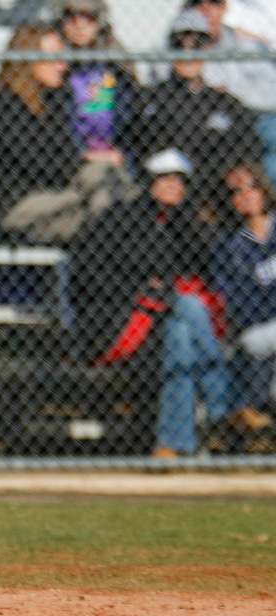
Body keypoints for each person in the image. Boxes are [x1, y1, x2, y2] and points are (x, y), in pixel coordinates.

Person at [70, 148, 269, 459]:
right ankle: (226, 406)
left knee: (179, 335)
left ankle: (173, 445)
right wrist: (140, 292)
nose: (173, 186)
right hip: (117, 320)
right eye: (164, 179)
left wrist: (183, 218)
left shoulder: (181, 224)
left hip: (164, 321)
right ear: (149, 182)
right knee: (187, 307)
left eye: (180, 181)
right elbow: (87, 275)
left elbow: (207, 261)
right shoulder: (119, 218)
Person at [0, 23, 126, 245]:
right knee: (106, 211)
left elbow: (66, 158)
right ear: (28, 60)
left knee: (105, 182)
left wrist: (94, 162)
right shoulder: (4, 106)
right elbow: (43, 164)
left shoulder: (51, 104)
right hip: (21, 207)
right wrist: (89, 159)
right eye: (54, 58)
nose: (62, 66)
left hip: (60, 198)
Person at [122, 9, 264, 219]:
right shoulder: (148, 99)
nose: (188, 54)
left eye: (196, 45)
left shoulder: (225, 103)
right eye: (180, 45)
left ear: (206, 50)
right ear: (170, 50)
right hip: (158, 200)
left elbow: (250, 151)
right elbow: (132, 146)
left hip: (214, 202)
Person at [184, 0, 276, 187]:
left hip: (248, 115)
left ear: (224, 8)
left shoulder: (246, 45)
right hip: (198, 114)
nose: (207, 9)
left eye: (214, 3)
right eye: (198, 3)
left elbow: (272, 95)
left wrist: (231, 93)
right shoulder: (177, 43)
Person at [212, 162, 276, 424]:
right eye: (237, 191)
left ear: (264, 191)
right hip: (258, 328)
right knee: (254, 340)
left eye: (252, 186)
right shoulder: (228, 245)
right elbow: (239, 303)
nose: (246, 194)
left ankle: (263, 414)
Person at [51, 0, 137, 163]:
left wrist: (119, 151)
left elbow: (129, 113)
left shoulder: (115, 61)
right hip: (70, 154)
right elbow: (56, 121)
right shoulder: (55, 62)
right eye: (71, 17)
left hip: (115, 150)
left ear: (100, 22)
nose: (79, 25)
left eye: (89, 17)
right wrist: (80, 152)